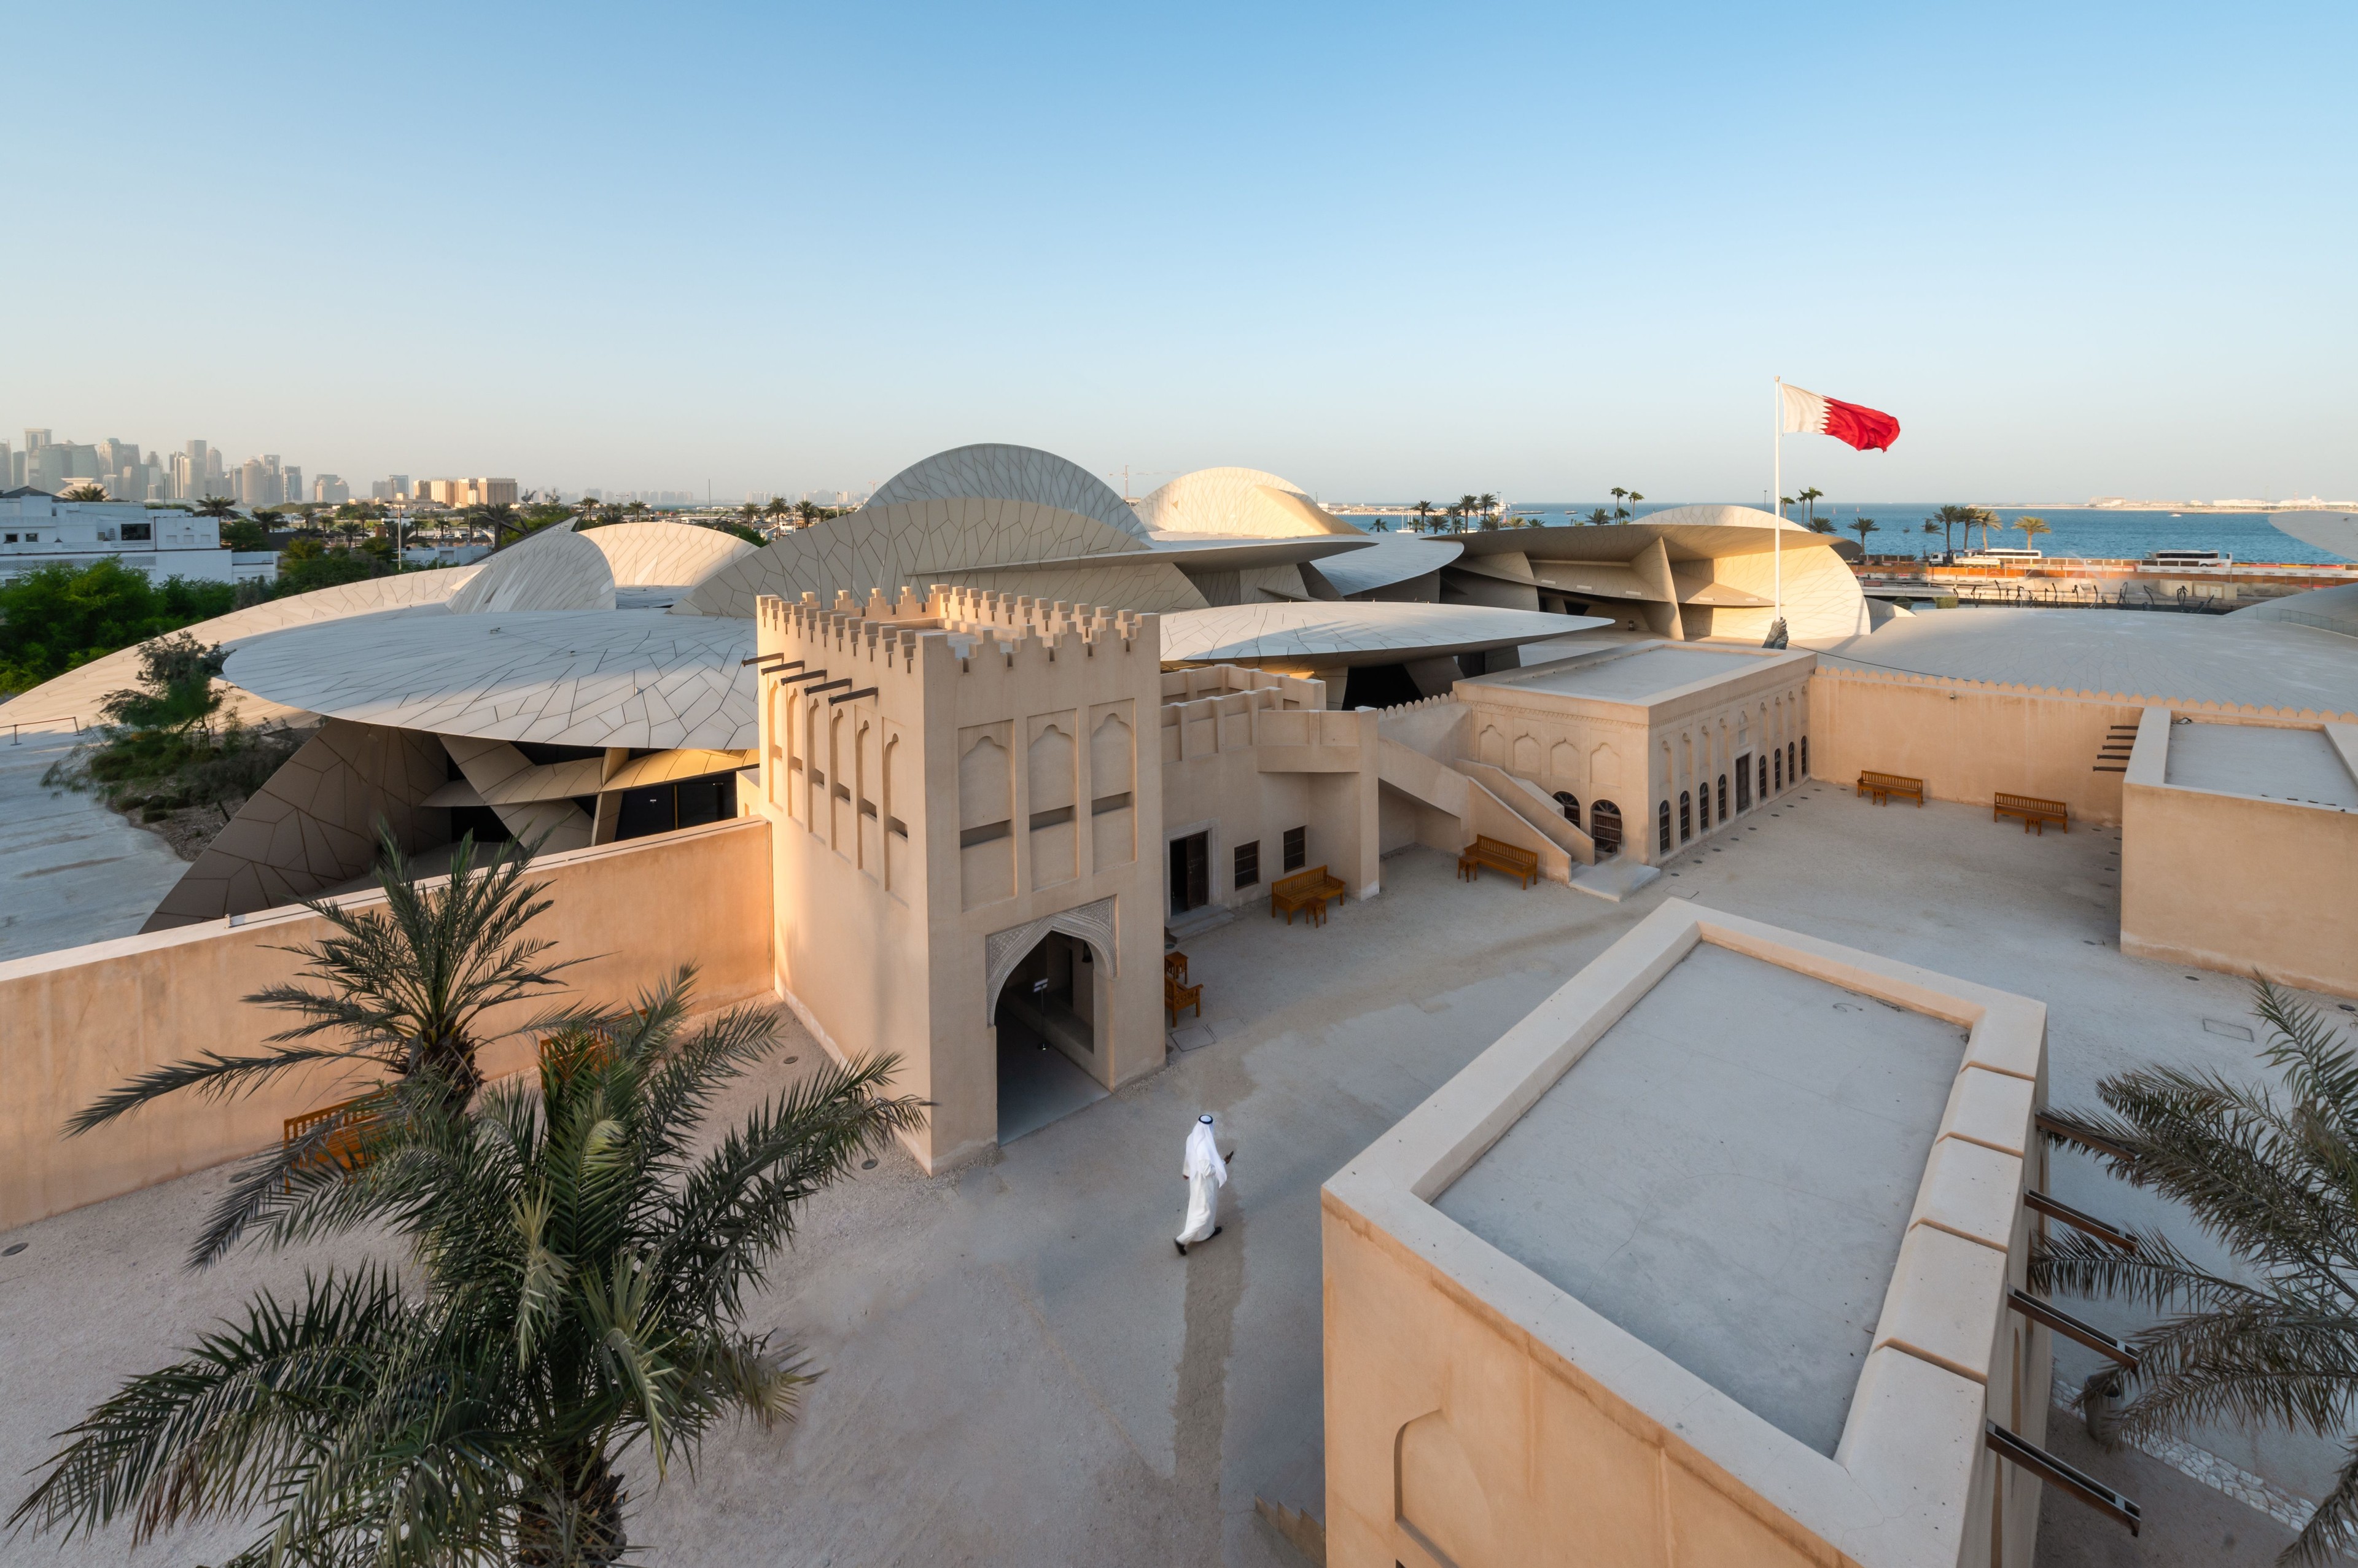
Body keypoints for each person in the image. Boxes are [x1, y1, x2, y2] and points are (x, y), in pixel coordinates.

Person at [1177, 1113, 1229, 1256]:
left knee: (1197, 1208)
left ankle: (1208, 1232)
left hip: (1195, 1180)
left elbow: (1189, 1156)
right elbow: (1207, 1170)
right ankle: (1182, 1240)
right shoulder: (1205, 1145)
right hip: (1205, 1184)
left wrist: (1186, 1172)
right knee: (1205, 1212)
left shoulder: (1192, 1137)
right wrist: (1222, 1164)